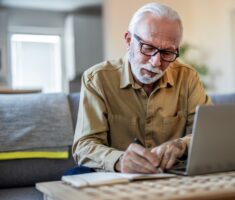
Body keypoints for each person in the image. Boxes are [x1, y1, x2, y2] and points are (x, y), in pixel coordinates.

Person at [72, 2, 212, 174]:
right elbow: (84, 145)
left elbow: (209, 134)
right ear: (129, 40)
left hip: (171, 174)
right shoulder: (97, 79)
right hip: (116, 176)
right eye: (148, 47)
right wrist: (119, 160)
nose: (156, 62)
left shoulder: (188, 77)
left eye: (168, 53)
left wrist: (182, 145)